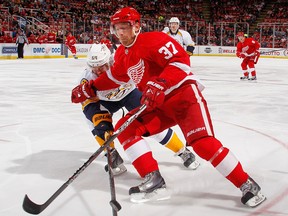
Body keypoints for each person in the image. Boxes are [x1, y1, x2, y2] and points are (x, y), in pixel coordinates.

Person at [71, 7, 266, 207]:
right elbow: (114, 78)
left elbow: (181, 62)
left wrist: (161, 82)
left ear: (136, 26)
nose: (120, 33)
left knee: (202, 144)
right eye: (116, 29)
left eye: (124, 27)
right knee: (126, 128)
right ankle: (153, 180)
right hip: (159, 104)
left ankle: (247, 185)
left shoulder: (154, 40)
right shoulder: (121, 54)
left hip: (184, 97)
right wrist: (90, 88)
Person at [75, 43, 200, 176]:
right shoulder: (86, 78)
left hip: (129, 94)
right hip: (105, 101)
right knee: (96, 126)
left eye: (102, 67)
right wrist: (100, 120)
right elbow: (87, 104)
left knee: (151, 123)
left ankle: (181, 150)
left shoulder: (122, 63)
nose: (99, 71)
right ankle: (111, 154)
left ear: (110, 60)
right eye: (95, 68)